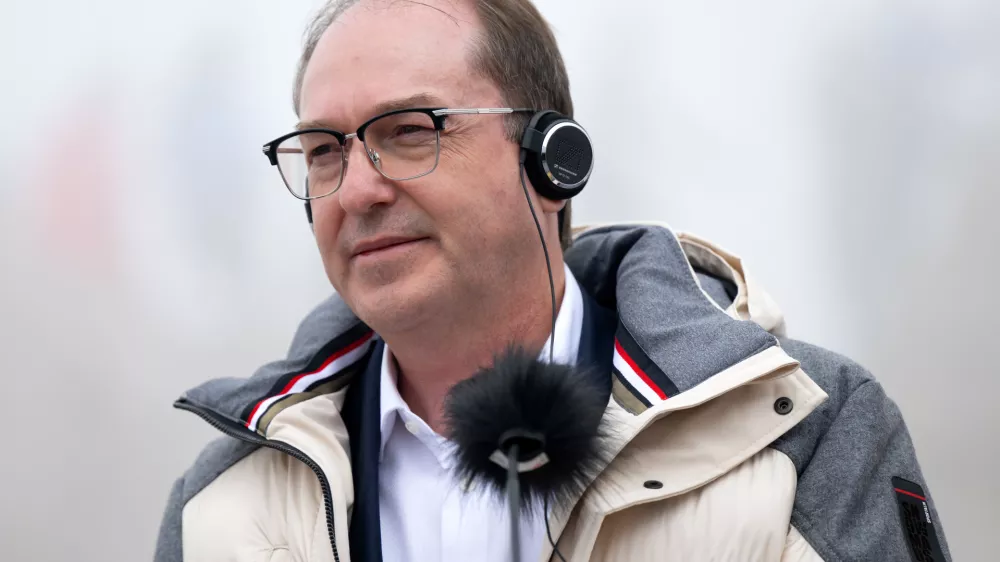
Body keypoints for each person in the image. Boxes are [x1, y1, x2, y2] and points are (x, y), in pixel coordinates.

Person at [155, 0, 951, 560]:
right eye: (325, 150)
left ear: (552, 161)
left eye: (408, 133)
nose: (358, 189)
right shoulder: (222, 505)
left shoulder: (806, 434)